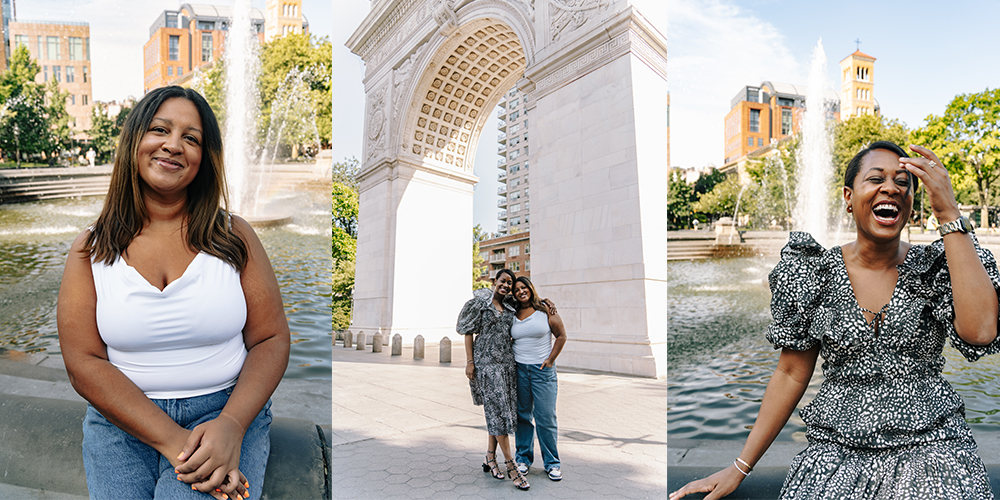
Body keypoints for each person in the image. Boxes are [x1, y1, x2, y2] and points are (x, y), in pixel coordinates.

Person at [670, 141, 1000, 500]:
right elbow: (791, 373)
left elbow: (981, 332)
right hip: (837, 449)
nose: (891, 187)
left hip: (933, 445)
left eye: (903, 183)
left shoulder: (937, 265)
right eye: (876, 178)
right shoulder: (815, 272)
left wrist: (949, 214)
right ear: (848, 196)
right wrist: (739, 467)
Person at [57, 86, 290, 500]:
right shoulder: (89, 249)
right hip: (121, 423)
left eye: (191, 138)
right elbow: (82, 362)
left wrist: (233, 427)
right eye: (160, 129)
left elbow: (271, 339)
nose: (173, 145)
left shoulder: (235, 236)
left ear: (204, 158)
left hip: (226, 411)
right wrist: (177, 443)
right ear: (135, 142)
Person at [457, 269, 530, 491]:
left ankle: (490, 456)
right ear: (494, 281)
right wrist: (470, 362)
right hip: (485, 364)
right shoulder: (480, 303)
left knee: (497, 411)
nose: (506, 286)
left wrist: (547, 303)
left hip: (507, 364)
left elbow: (530, 301)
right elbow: (467, 331)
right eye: (503, 281)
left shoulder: (511, 305)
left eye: (509, 283)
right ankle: (511, 465)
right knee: (497, 412)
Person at [510, 276, 566, 481]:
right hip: (519, 370)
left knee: (546, 417)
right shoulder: (512, 312)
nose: (521, 291)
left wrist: (551, 359)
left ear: (531, 289)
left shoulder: (545, 310)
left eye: (524, 288)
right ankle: (523, 459)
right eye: (516, 289)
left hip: (542, 372)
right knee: (523, 416)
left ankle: (552, 463)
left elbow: (561, 335)